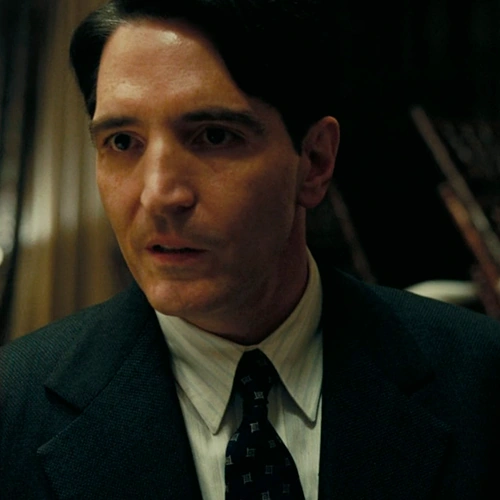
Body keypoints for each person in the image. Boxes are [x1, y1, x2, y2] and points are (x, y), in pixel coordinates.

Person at [1, 1, 500, 498]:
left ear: (314, 161)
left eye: (214, 136)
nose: (158, 195)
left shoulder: (480, 378)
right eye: (122, 142)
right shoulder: (13, 407)